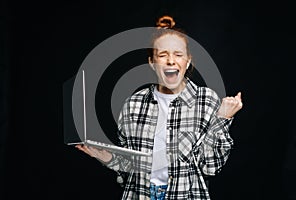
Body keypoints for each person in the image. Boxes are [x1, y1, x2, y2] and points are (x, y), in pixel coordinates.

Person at [76, 15, 243, 200]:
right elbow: (129, 171)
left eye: (178, 54)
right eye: (163, 55)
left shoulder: (207, 101)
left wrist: (222, 119)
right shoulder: (133, 105)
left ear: (187, 61)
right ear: (152, 62)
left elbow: (210, 167)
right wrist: (105, 157)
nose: (171, 61)